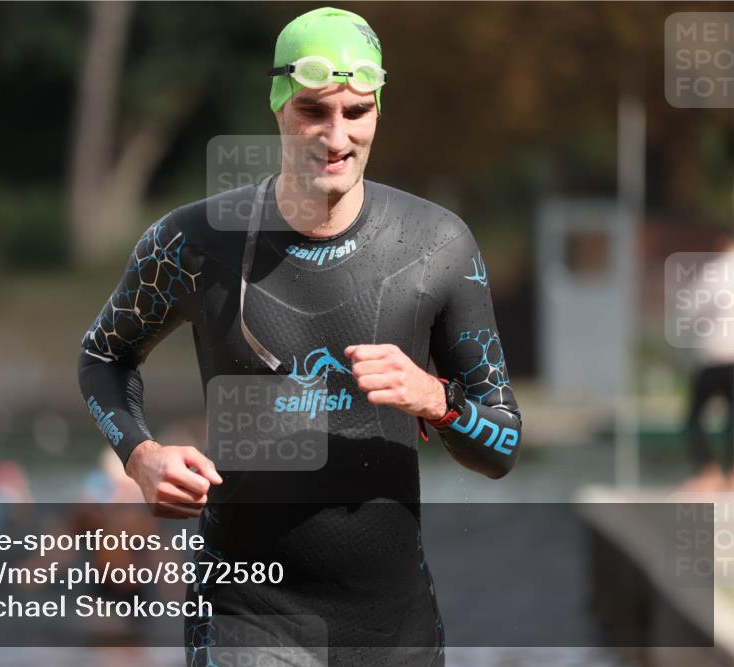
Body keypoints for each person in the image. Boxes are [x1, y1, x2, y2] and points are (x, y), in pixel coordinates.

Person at [78, 7, 522, 666]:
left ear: (377, 111)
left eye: (356, 111)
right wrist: (139, 455)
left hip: (395, 627)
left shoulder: (438, 246)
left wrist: (436, 398)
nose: (335, 136)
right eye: (314, 109)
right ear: (279, 108)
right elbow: (102, 355)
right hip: (246, 618)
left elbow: (504, 443)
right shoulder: (194, 244)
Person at [678, 238, 734, 492]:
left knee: (694, 418)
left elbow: (690, 310)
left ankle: (709, 471)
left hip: (715, 358)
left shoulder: (717, 272)